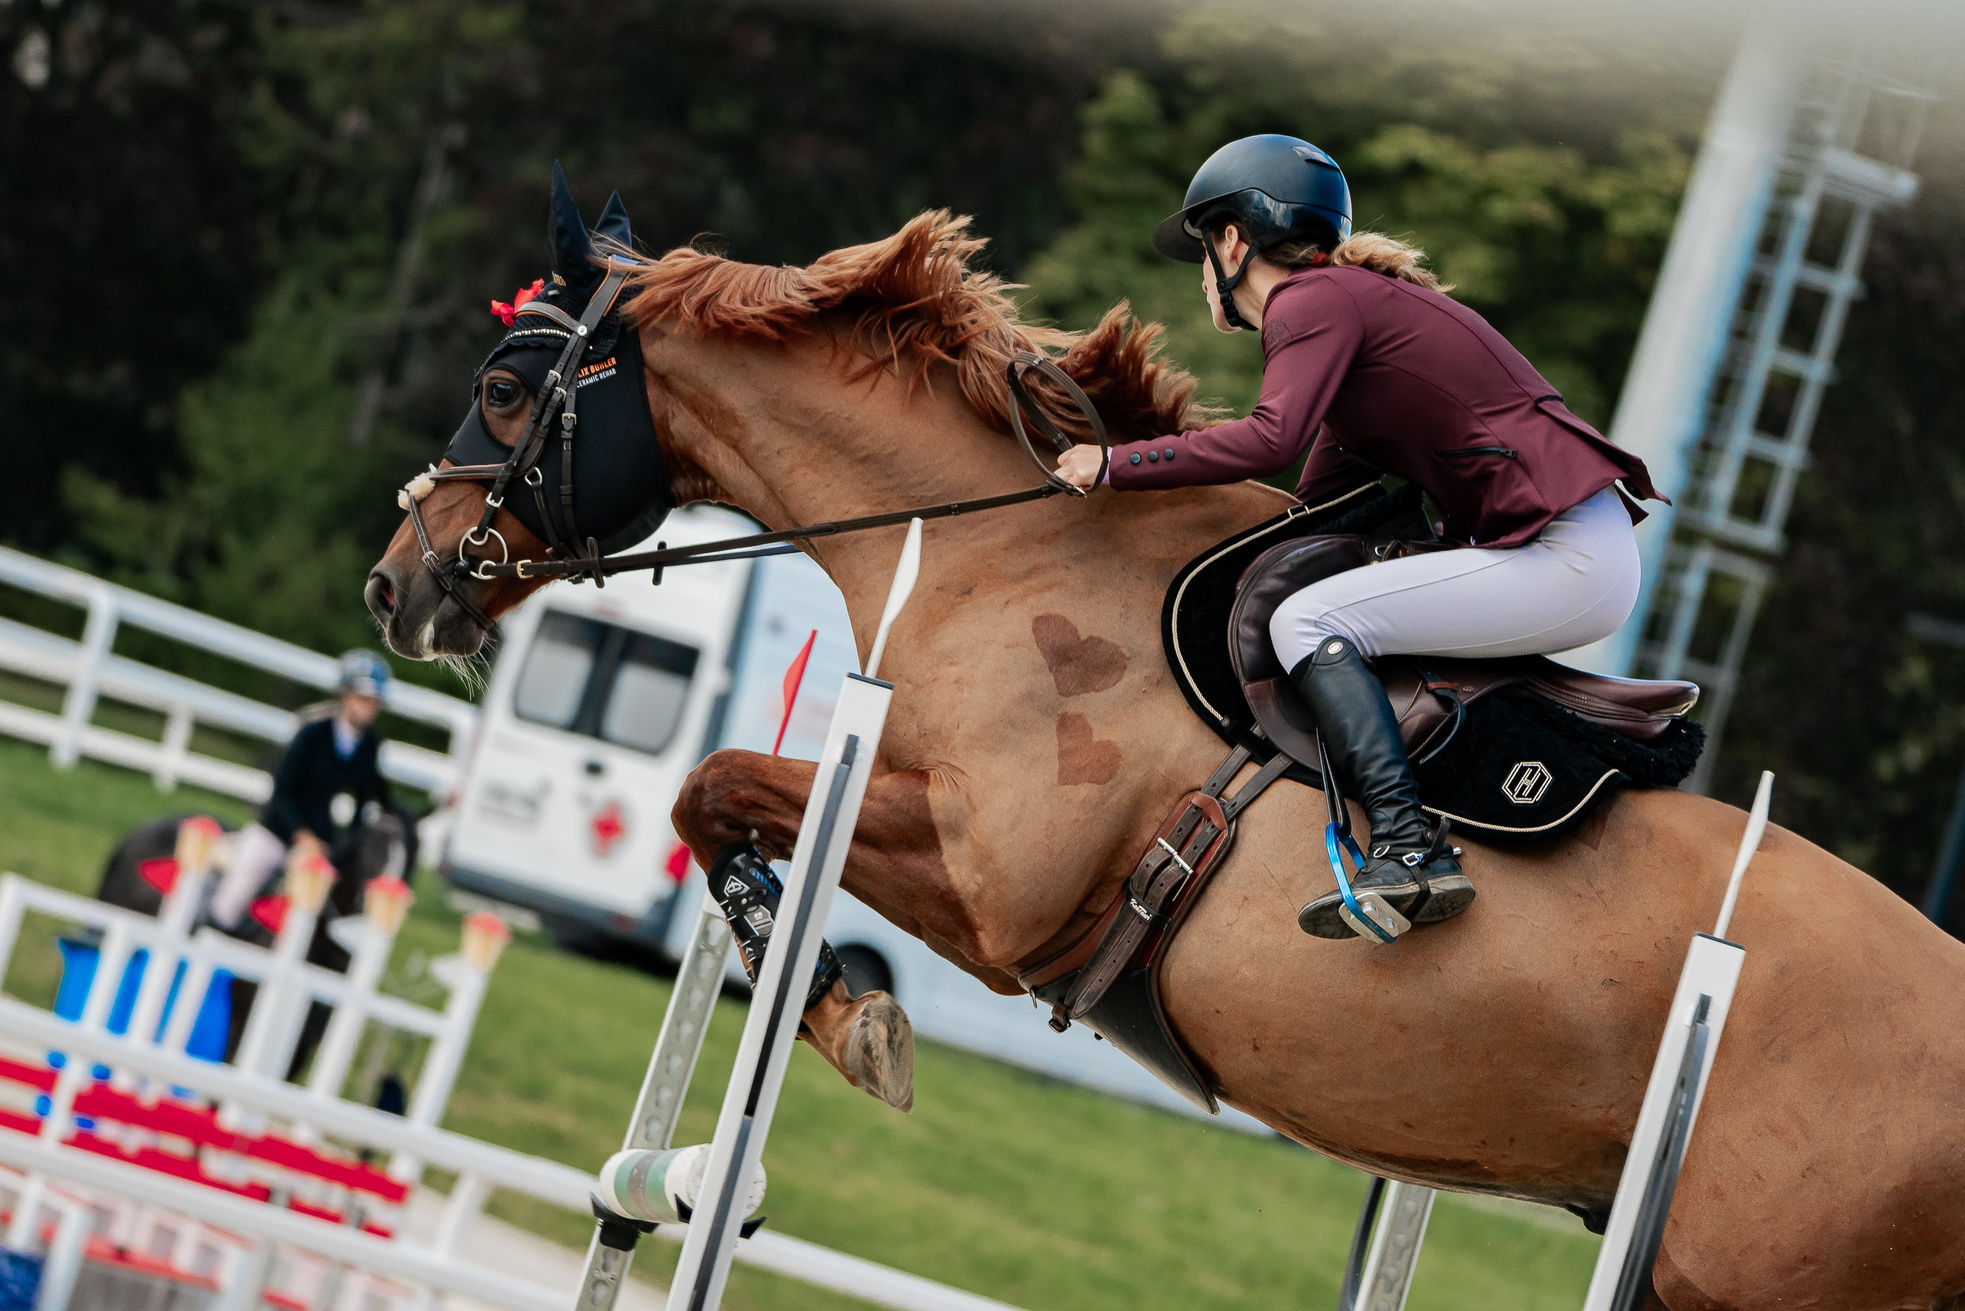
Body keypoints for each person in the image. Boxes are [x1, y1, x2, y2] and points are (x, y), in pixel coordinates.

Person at [1055, 134, 1663, 941]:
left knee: (1306, 623)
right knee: (1308, 609)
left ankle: (1409, 846)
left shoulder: (1312, 303)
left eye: (1202, 251)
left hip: (1563, 559)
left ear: (1234, 241)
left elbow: (1270, 440)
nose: (1202, 275)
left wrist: (1114, 465)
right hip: (1566, 552)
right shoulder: (1344, 325)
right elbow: (1307, 515)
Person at [209, 650, 400, 932]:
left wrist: (344, 848)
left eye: (374, 701)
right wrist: (303, 835)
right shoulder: (312, 732)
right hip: (278, 829)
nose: (369, 707)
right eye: (363, 698)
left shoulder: (370, 746)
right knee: (235, 893)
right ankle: (213, 929)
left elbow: (365, 804)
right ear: (345, 694)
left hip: (320, 845)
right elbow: (282, 792)